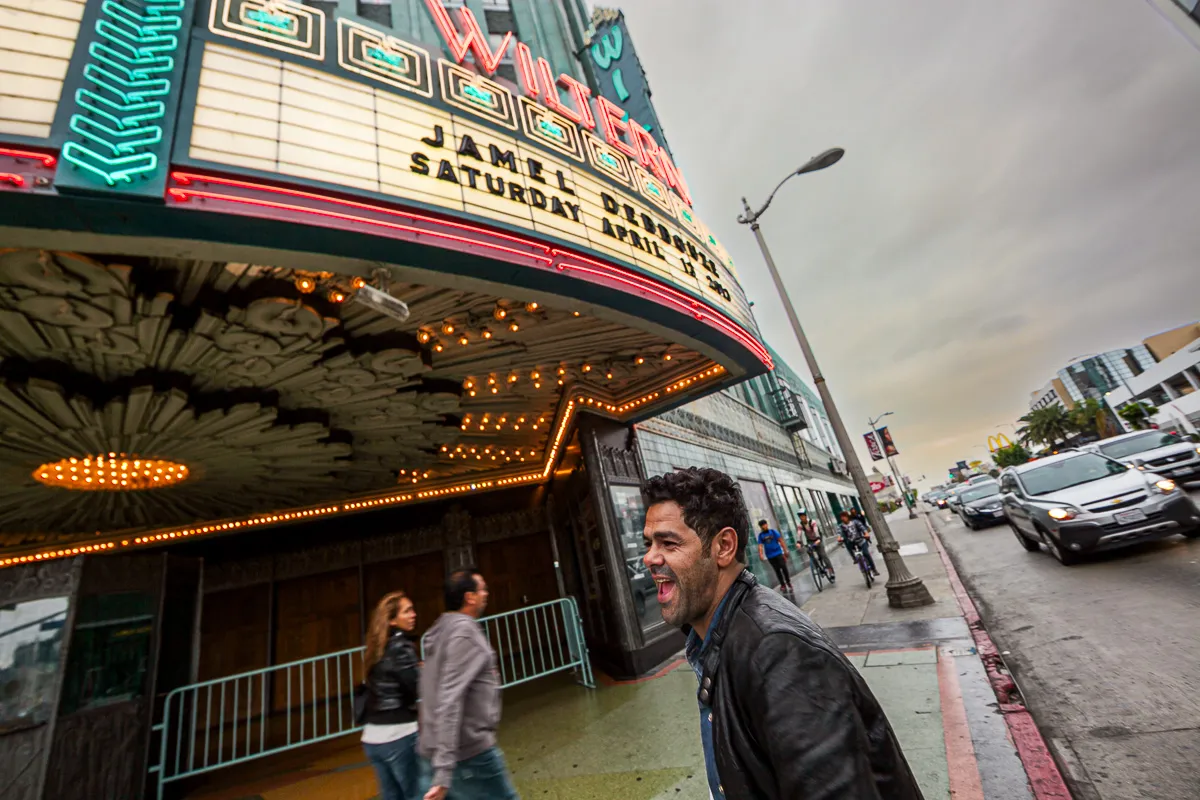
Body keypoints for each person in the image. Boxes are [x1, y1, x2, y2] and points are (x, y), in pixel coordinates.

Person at [641, 468, 921, 799]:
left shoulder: (779, 652)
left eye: (668, 543)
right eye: (649, 543)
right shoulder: (727, 636)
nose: (649, 557)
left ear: (724, 546)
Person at [417, 568, 517, 800]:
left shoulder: (442, 631)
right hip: (469, 755)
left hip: (437, 751)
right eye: (482, 589)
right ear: (469, 597)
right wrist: (444, 771)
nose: (486, 593)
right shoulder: (463, 634)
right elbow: (449, 700)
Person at [362, 591, 421, 800]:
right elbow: (416, 687)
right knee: (418, 793)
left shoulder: (376, 648)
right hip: (399, 734)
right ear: (393, 620)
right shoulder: (401, 646)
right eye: (407, 611)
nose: (413, 614)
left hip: (372, 738)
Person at [838, 511, 880, 577]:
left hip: (861, 540)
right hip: (851, 543)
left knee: (866, 554)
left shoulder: (855, 522)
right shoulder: (841, 526)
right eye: (841, 517)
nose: (843, 518)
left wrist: (866, 534)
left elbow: (863, 528)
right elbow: (839, 533)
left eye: (844, 516)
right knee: (849, 547)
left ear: (847, 517)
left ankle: (874, 569)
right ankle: (856, 559)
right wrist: (839, 538)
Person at [755, 519, 792, 592]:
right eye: (762, 525)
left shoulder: (773, 532)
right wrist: (761, 554)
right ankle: (783, 585)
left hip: (778, 553)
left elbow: (780, 540)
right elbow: (760, 545)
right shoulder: (761, 536)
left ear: (767, 525)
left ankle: (788, 582)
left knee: (783, 567)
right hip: (770, 556)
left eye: (765, 524)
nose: (764, 526)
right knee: (777, 570)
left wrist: (785, 550)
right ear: (761, 527)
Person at [797, 512, 835, 581]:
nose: (802, 518)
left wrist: (818, 539)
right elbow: (799, 533)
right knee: (809, 552)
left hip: (818, 539)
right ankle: (818, 567)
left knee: (823, 555)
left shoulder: (812, 522)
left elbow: (816, 530)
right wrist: (798, 542)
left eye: (803, 516)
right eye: (800, 517)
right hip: (810, 540)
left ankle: (831, 571)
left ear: (805, 516)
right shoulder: (800, 525)